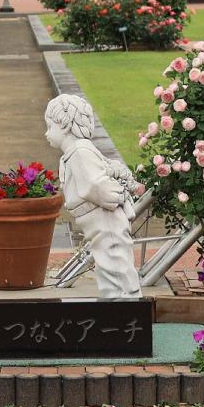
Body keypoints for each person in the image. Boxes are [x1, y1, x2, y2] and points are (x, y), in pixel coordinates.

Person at [44, 94, 142, 299]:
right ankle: (117, 303)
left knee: (115, 262)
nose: (46, 133)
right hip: (97, 223)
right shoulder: (74, 153)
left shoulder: (80, 151)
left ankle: (125, 305)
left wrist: (118, 193)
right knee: (108, 263)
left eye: (49, 126)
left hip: (105, 221)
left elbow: (97, 186)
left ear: (63, 125)